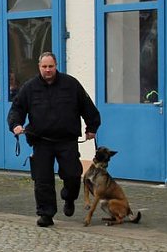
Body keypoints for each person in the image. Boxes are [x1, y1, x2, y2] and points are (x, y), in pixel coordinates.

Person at [7, 53, 99, 225]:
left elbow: (87, 106)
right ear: (39, 67)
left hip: (67, 140)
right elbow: (17, 109)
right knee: (42, 180)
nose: (48, 70)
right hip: (41, 140)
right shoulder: (30, 87)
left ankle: (69, 197)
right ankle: (46, 214)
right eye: (44, 67)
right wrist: (15, 124)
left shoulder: (71, 84)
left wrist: (92, 128)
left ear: (56, 66)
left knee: (73, 175)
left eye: (51, 66)